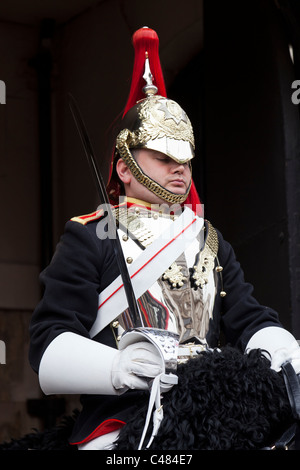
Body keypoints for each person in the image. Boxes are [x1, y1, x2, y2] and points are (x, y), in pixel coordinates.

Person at [29, 27, 300, 450]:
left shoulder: (207, 237)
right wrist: (118, 366)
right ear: (124, 168)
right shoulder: (90, 233)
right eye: (163, 157)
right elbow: (49, 342)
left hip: (212, 412)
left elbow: (249, 319)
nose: (179, 169)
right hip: (126, 416)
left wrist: (283, 351)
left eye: (185, 159)